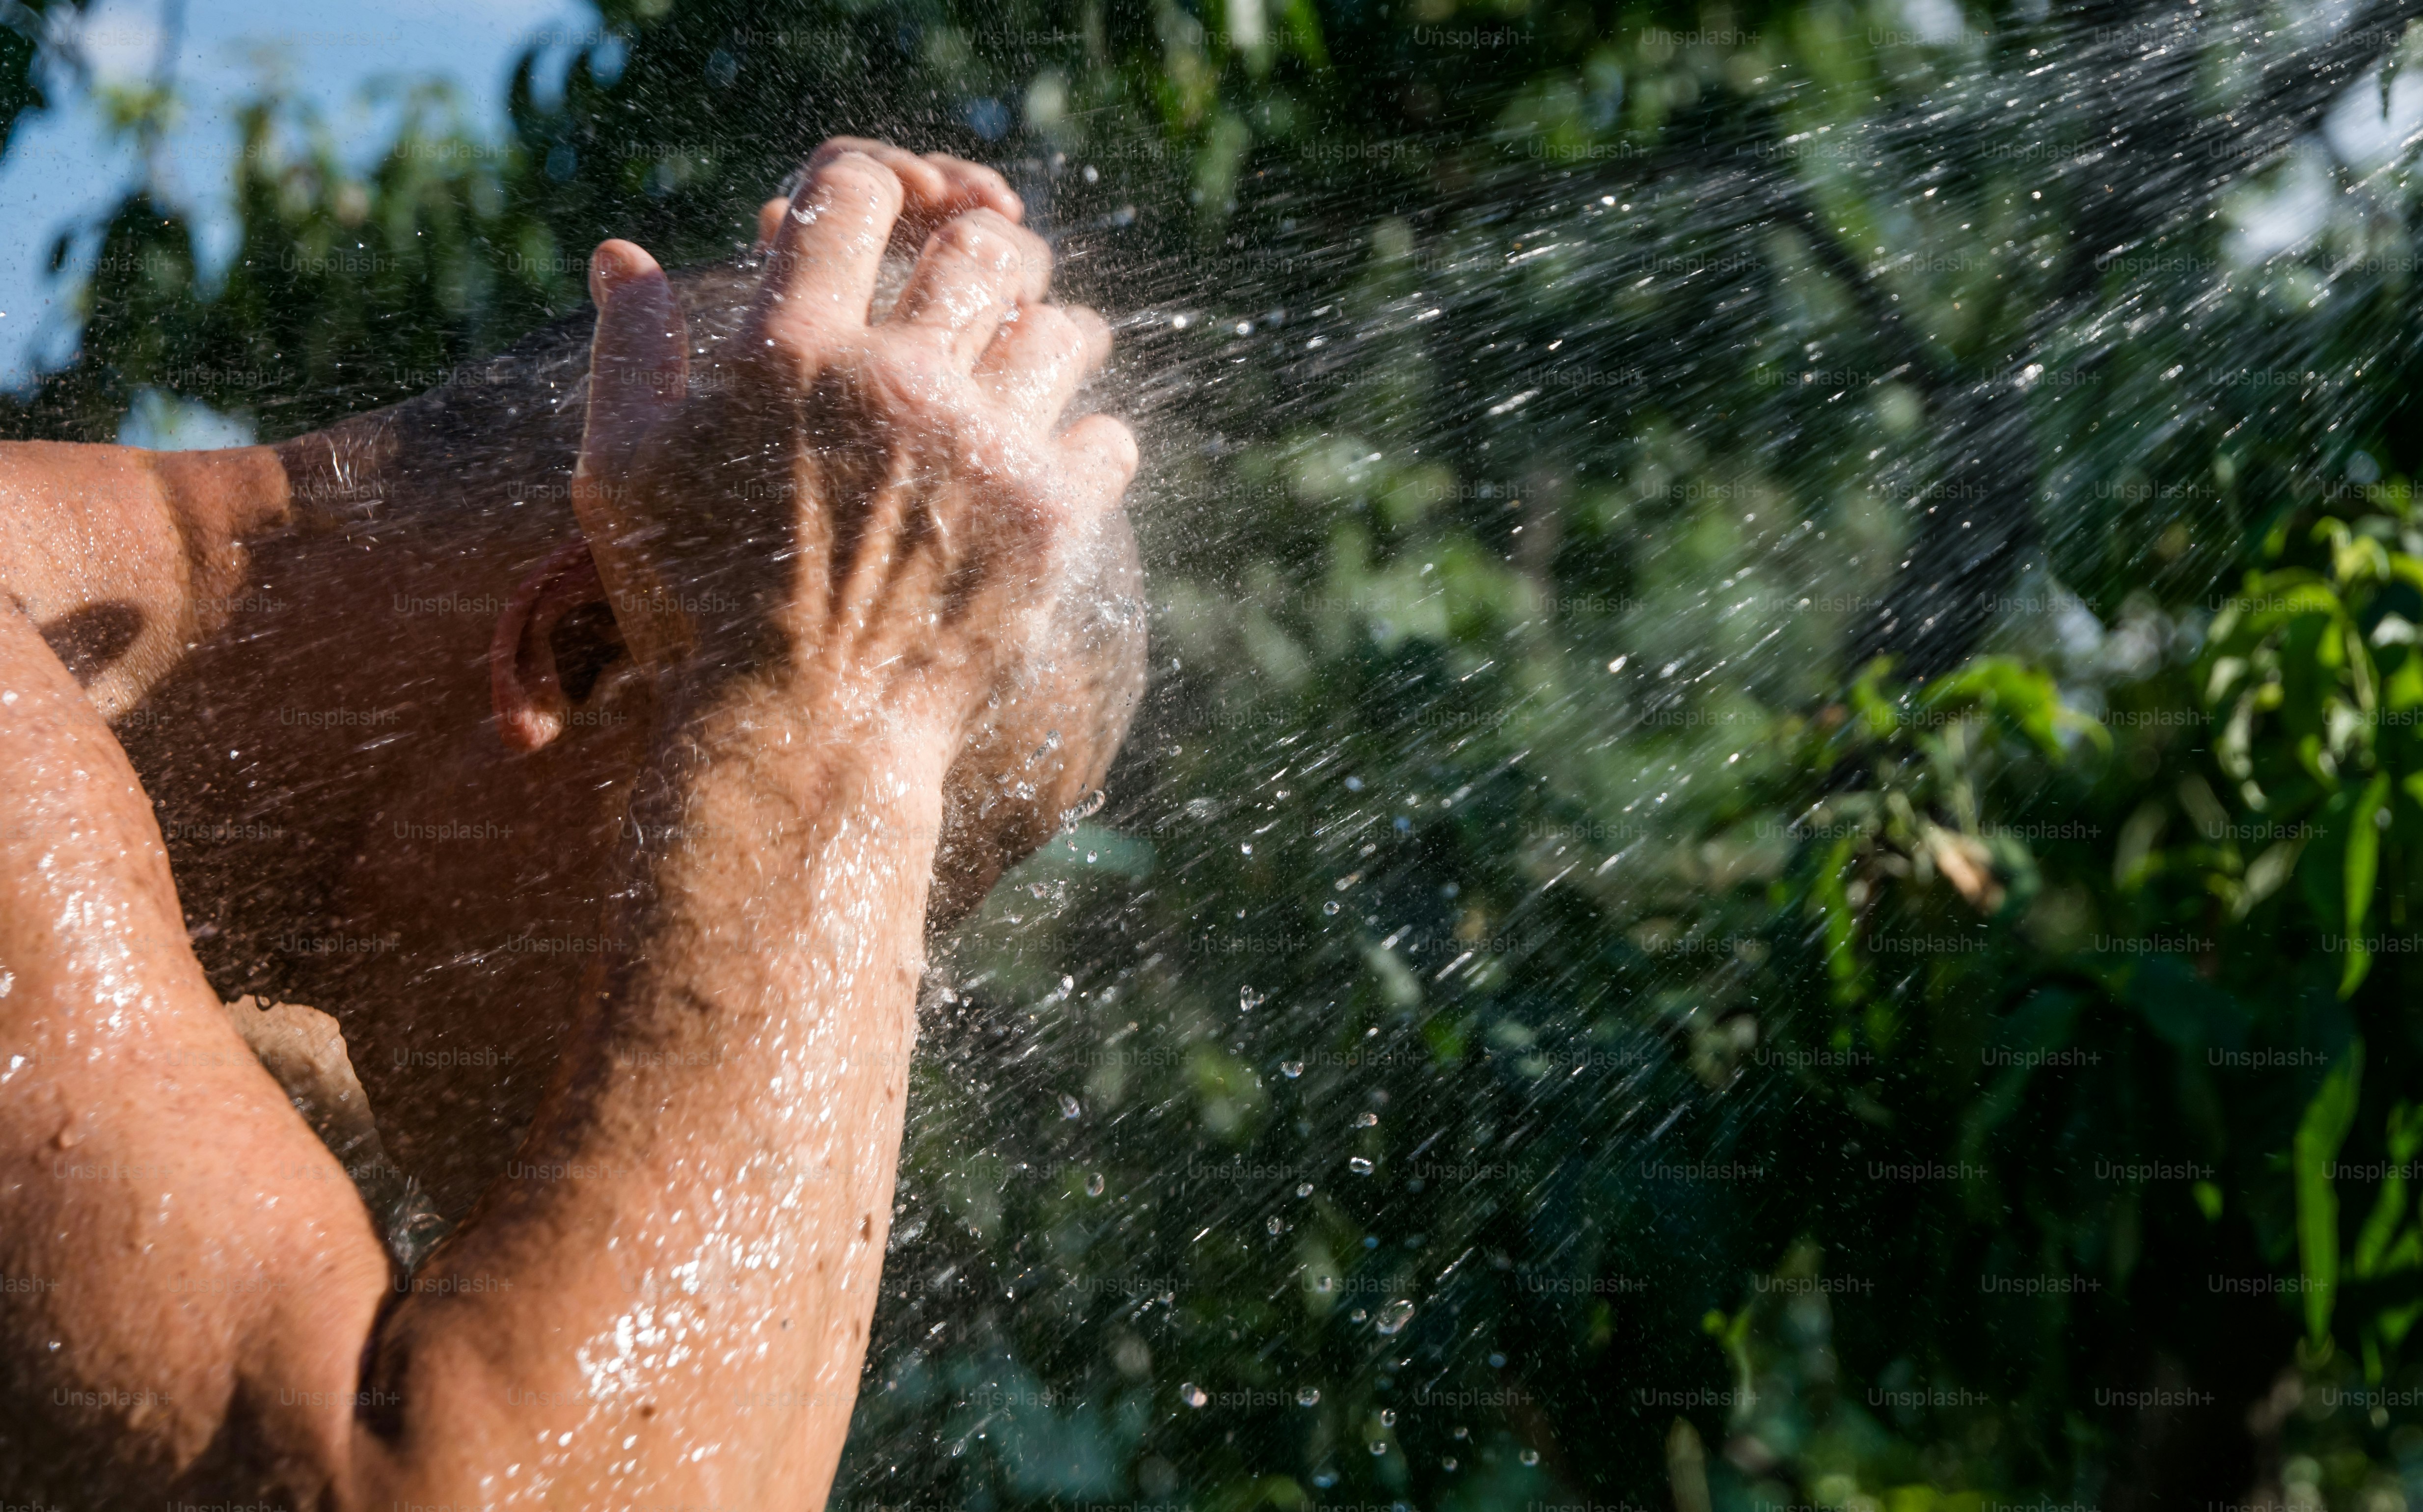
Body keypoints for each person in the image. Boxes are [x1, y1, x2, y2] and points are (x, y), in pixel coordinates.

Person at [0, 136, 1144, 1511]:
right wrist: (829, 729)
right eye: (857, 878)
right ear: (572, 651)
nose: (851, 1014)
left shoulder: (288, 1088)